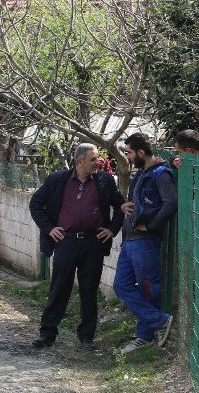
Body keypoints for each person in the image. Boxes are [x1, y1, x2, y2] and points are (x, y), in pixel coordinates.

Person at [29, 143, 125, 350]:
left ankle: (86, 337)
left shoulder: (105, 181)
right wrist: (49, 228)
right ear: (79, 162)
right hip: (66, 241)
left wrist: (112, 230)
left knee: (89, 290)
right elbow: (35, 204)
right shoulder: (58, 180)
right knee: (59, 287)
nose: (98, 162)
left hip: (93, 243)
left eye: (98, 158)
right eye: (93, 159)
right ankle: (47, 334)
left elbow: (120, 206)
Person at [114, 132, 178, 353]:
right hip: (130, 240)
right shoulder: (141, 173)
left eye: (130, 152)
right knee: (121, 286)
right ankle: (159, 321)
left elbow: (170, 204)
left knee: (149, 289)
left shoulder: (161, 174)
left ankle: (145, 335)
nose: (128, 157)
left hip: (145, 241)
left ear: (141, 152)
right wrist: (125, 207)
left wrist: (151, 227)